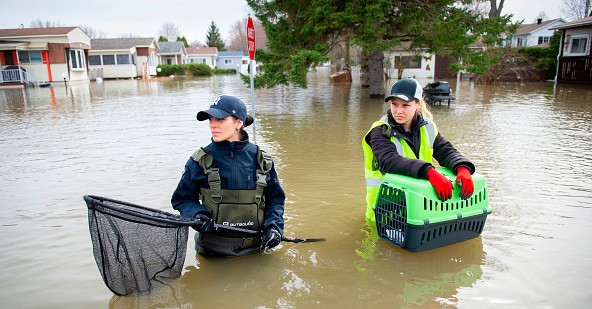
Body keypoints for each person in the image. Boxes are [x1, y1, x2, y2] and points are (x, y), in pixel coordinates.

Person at [172, 95, 285, 256]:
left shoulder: (263, 160)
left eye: (220, 119)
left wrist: (274, 228)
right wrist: (197, 215)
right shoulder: (199, 160)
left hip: (255, 251)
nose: (213, 125)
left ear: (239, 123)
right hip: (211, 251)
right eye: (211, 119)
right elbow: (182, 199)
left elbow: (276, 199)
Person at [362, 78, 475, 222]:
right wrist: (429, 172)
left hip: (418, 209)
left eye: (405, 105)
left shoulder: (427, 127)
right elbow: (388, 161)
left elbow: (446, 151)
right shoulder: (380, 130)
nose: (398, 111)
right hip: (385, 211)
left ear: (418, 104)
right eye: (394, 104)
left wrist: (462, 168)